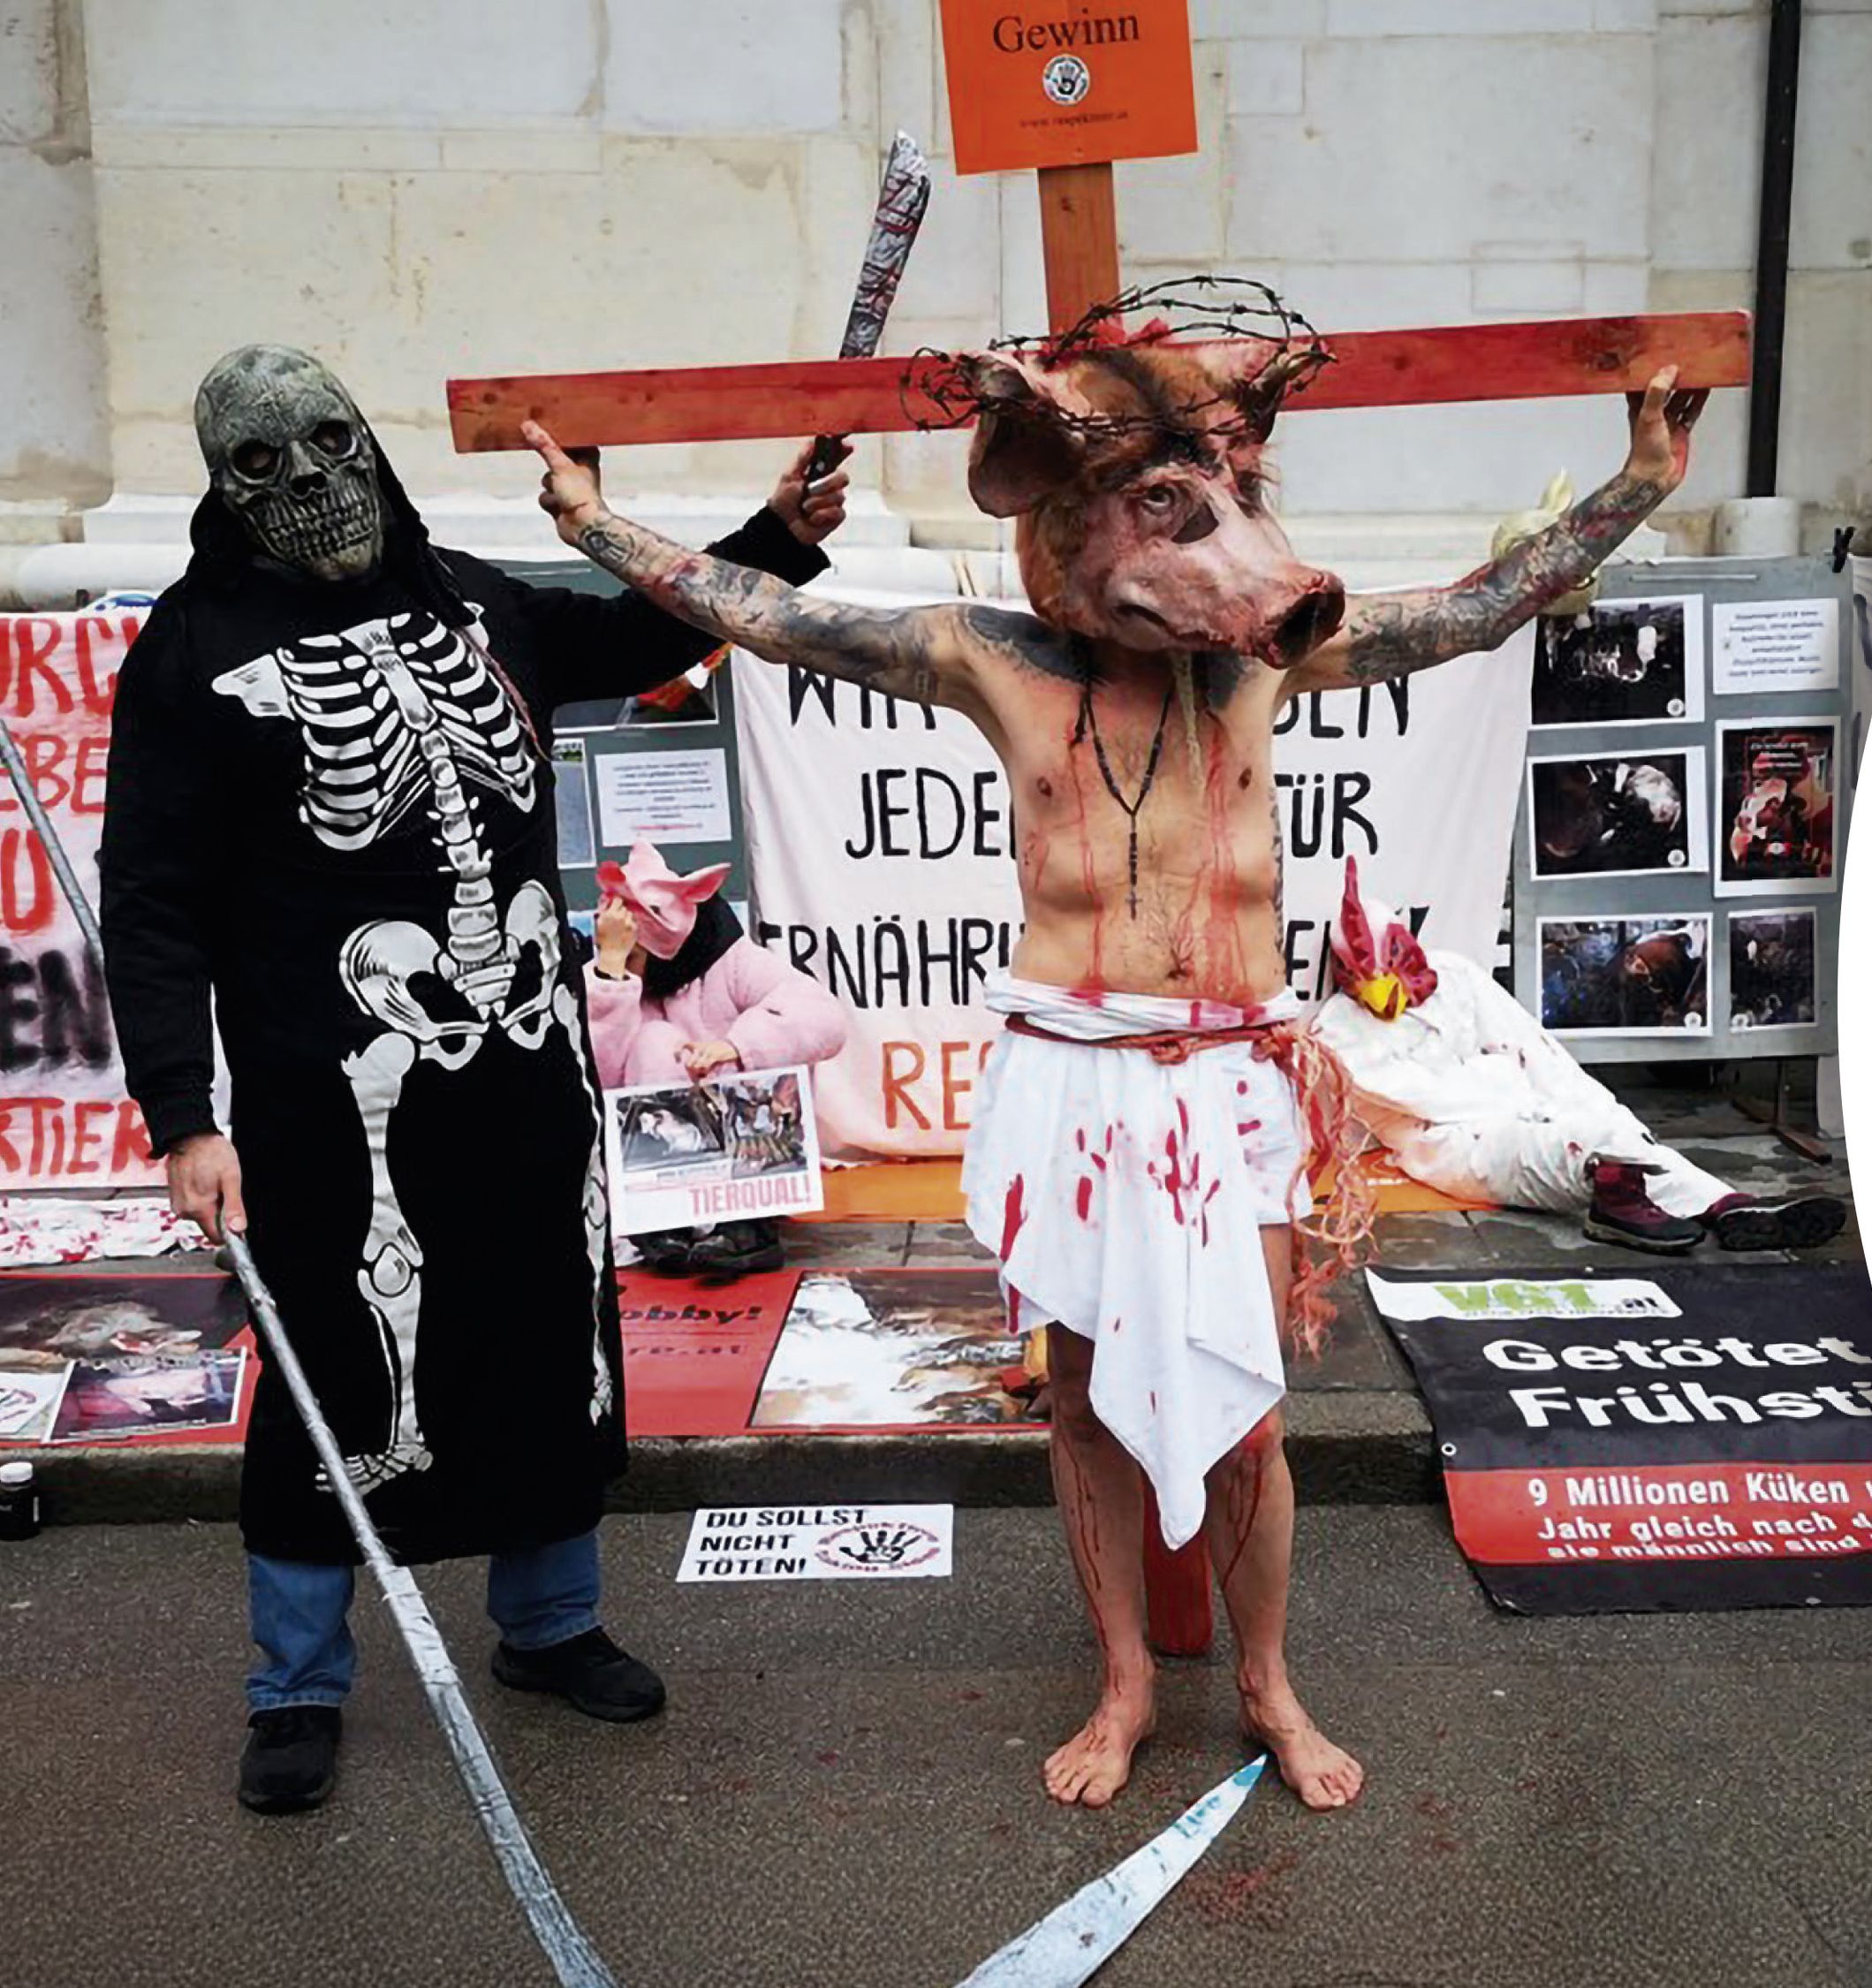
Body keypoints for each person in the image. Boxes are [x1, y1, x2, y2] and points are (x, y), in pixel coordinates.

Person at [519, 292, 1703, 1814]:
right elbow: (769, 615)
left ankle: (1269, 1685)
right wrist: (594, 525)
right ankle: (1129, 1683)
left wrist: (1637, 485)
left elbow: (1474, 610)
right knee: (1076, 1397)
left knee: (1256, 1404)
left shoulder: (1271, 664)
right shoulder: (988, 657)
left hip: (1229, 1081)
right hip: (1069, 1076)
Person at [99, 344, 849, 1817]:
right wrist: (184, 1113)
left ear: (368, 441)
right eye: (263, 465)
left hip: (524, 1073)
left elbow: (635, 638)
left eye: (327, 441)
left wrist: (776, 544)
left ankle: (551, 1623)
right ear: (222, 491)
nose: (310, 484)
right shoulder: (191, 652)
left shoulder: (467, 596)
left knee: (543, 1338)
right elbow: (152, 899)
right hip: (339, 1098)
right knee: (328, 1371)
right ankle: (298, 1685)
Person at [1312, 866, 1847, 1255]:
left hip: (1523, 1101)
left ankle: (1726, 1205)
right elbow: (1424, 1100)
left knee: (1615, 1127)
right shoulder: (1338, 1031)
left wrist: (1583, 1098)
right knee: (1560, 1146)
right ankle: (1615, 1201)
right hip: (1450, 1141)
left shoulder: (1455, 976)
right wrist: (1504, 1082)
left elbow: (1529, 1047)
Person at [586, 839, 854, 1274]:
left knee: (741, 1040)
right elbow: (596, 1077)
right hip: (659, 1159)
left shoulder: (732, 962)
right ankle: (666, 1219)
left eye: (636, 958)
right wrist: (612, 974)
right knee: (654, 1040)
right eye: (621, 957)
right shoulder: (608, 980)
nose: (630, 970)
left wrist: (738, 1047)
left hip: (744, 1149)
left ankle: (746, 1225)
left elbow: (826, 1021)